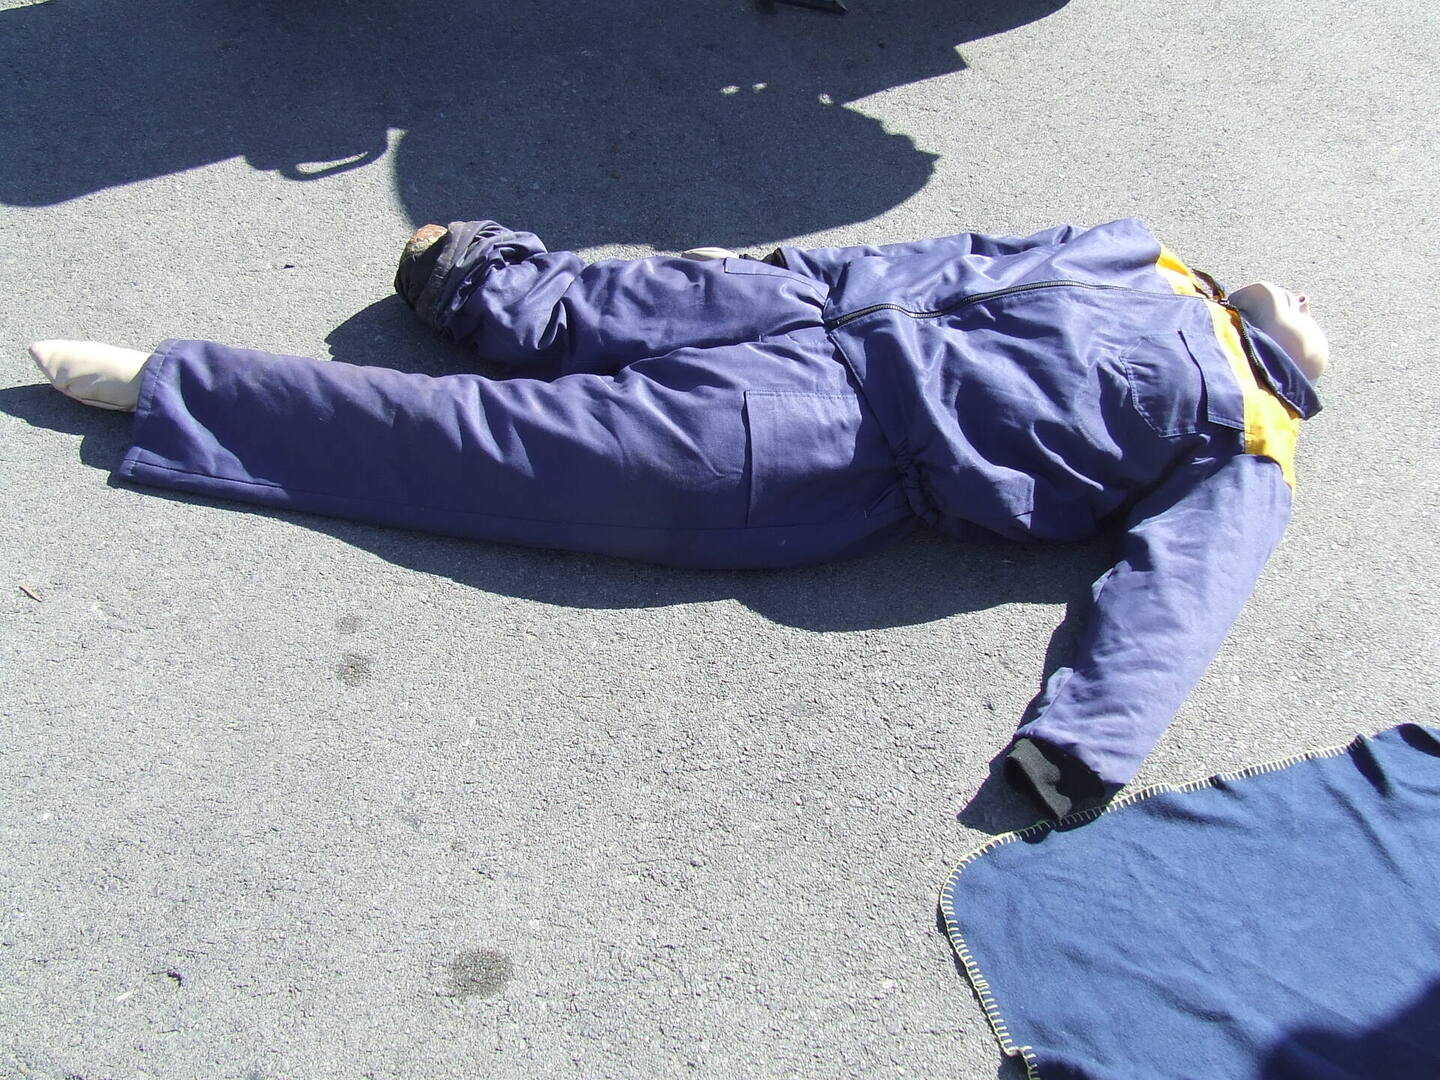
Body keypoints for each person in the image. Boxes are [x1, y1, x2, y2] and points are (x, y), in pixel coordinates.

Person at [29, 217, 1327, 818]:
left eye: (1319, 327)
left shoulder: (1251, 434)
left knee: (500, 450)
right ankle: (480, 285)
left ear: (1297, 368)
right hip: (806, 309)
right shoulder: (1148, 257)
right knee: (591, 300)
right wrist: (778, 271)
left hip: (837, 442)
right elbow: (955, 254)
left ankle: (180, 391)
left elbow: (1176, 597)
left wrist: (1082, 745)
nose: (1309, 301)